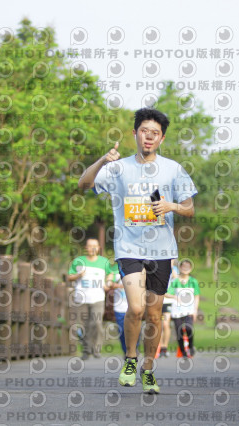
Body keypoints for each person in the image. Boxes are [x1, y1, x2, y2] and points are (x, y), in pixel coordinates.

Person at [78, 108, 197, 394]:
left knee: (154, 316)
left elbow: (190, 208)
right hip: (128, 248)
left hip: (161, 251)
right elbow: (84, 184)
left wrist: (171, 206)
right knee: (135, 308)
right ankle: (130, 359)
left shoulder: (173, 169)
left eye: (155, 133)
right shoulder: (118, 168)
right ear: (135, 133)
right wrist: (102, 160)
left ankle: (148, 369)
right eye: (144, 131)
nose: (149, 137)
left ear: (162, 138)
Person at [67, 238, 114, 360]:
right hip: (81, 298)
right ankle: (86, 350)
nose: (92, 248)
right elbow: (69, 277)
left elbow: (110, 273)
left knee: (97, 323)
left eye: (95, 246)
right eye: (90, 246)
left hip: (98, 297)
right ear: (86, 248)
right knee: (83, 325)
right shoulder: (79, 261)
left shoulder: (104, 262)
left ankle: (96, 349)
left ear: (98, 248)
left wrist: (108, 282)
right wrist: (78, 275)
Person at [166, 259, 200, 358]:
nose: (185, 268)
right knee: (179, 331)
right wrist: (175, 297)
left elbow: (196, 296)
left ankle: (191, 346)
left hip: (189, 310)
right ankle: (183, 351)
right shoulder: (175, 281)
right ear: (180, 268)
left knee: (189, 328)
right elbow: (167, 293)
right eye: (183, 266)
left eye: (187, 267)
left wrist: (195, 310)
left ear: (190, 269)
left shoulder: (193, 281)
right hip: (177, 310)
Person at [158, 260, 178, 358]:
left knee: (166, 324)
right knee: (159, 325)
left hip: (168, 301)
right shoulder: (158, 267)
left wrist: (171, 267)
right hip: (159, 300)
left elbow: (177, 279)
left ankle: (164, 347)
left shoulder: (175, 270)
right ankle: (159, 347)